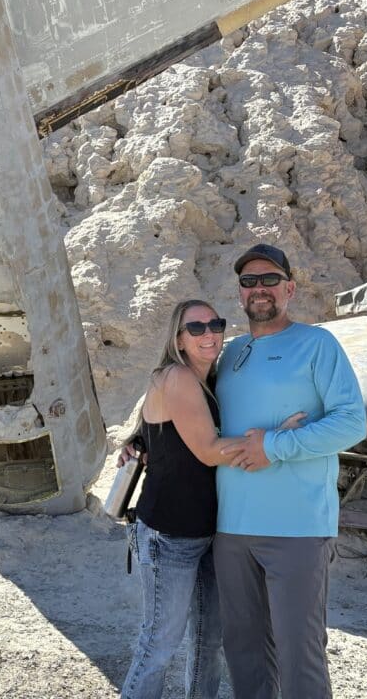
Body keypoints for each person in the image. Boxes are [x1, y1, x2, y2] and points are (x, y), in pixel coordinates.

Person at [213, 244, 367, 699]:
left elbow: (351, 422)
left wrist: (274, 446)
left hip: (296, 528)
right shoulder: (228, 352)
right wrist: (139, 441)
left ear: (290, 288)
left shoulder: (318, 344)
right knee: (243, 651)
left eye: (269, 280)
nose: (259, 289)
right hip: (231, 528)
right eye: (249, 282)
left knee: (300, 653)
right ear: (240, 294)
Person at [119, 299, 290, 699]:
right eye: (195, 328)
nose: (208, 333)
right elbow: (209, 450)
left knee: (208, 644)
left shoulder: (209, 379)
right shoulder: (177, 377)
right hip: (169, 535)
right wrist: (279, 442)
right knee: (159, 644)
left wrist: (137, 439)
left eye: (215, 324)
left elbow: (160, 431)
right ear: (178, 339)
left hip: (210, 532)